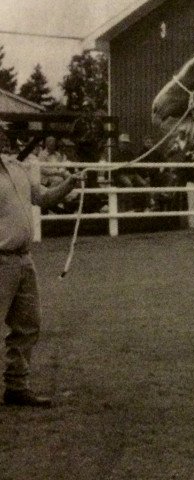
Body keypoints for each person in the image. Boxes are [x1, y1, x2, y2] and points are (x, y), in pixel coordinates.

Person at [1, 128, 84, 407]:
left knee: (27, 325)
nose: (4, 138)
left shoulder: (17, 168)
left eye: (3, 134)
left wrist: (69, 184)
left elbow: (43, 198)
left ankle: (16, 385)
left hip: (24, 259)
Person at [113, 133, 149, 212]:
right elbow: (115, 169)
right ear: (119, 143)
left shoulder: (130, 154)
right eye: (124, 143)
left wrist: (145, 176)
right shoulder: (115, 154)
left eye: (127, 143)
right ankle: (129, 207)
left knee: (144, 183)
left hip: (132, 174)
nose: (125, 145)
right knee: (129, 184)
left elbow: (136, 165)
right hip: (121, 174)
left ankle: (145, 206)